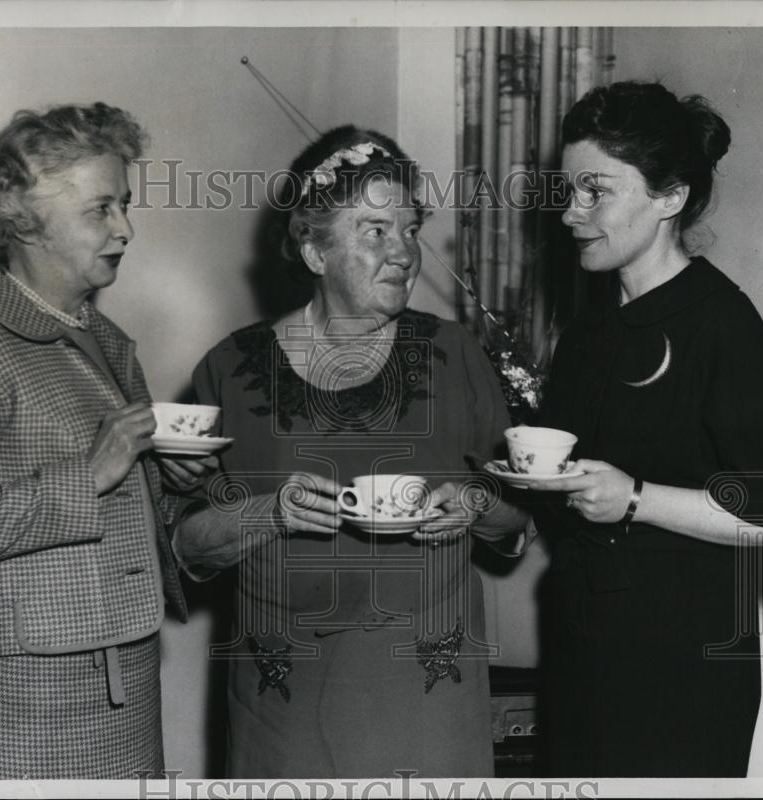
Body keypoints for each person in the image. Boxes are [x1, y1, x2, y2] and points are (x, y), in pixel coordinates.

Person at [172, 126, 532, 778]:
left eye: (410, 230)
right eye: (375, 231)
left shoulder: (455, 355)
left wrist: (477, 505)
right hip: (283, 703)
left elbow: (519, 521)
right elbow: (188, 546)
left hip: (429, 696)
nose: (404, 253)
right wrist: (269, 514)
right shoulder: (230, 370)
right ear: (315, 251)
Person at [0, 103, 214, 779]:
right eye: (101, 210)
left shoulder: (104, 339)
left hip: (131, 680)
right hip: (28, 706)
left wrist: (167, 483)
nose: (125, 228)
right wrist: (87, 477)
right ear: (26, 221)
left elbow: (118, 517)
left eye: (125, 205)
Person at [526, 81, 763, 777]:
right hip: (582, 657)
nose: (570, 213)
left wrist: (635, 498)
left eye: (596, 191)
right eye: (569, 190)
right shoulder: (586, 335)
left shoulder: (727, 329)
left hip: (682, 675)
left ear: (670, 197)